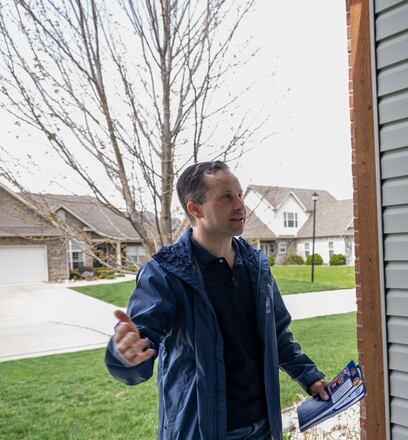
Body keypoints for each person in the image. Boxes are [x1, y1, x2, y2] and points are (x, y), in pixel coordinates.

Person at [105, 161, 329, 440]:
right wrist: (125, 356)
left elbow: (277, 334)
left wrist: (309, 376)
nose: (240, 205)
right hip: (202, 432)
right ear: (195, 209)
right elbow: (141, 342)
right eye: (226, 197)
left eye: (239, 195)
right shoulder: (166, 272)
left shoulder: (256, 266)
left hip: (263, 428)